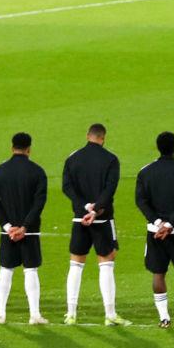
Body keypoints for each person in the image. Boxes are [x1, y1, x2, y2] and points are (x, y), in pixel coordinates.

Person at [62, 123, 127, 325]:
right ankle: (110, 315)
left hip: (79, 219)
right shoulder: (110, 159)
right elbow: (110, 188)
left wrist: (84, 206)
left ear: (87, 135)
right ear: (103, 137)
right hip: (102, 218)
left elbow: (67, 187)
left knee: (76, 264)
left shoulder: (73, 158)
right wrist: (96, 207)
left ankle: (71, 314)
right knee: (106, 264)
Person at [135, 131, 174, 328]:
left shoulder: (145, 172)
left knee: (158, 273)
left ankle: (164, 319)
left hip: (155, 232)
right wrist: (170, 224)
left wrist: (158, 222)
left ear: (158, 148)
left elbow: (141, 201)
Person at [0, 132, 50, 325]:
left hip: (7, 232)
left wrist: (7, 226)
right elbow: (39, 203)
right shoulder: (38, 172)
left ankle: (0, 314)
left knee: (6, 269)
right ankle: (34, 314)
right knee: (30, 270)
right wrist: (24, 226)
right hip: (29, 231)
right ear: (29, 149)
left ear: (12, 147)